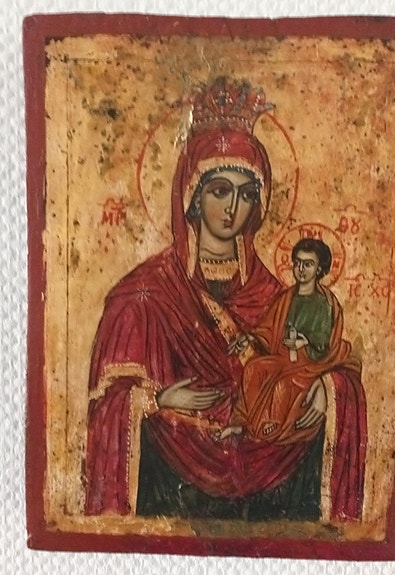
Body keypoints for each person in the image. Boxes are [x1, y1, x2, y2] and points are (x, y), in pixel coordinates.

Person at [85, 77, 367, 522]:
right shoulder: (143, 295)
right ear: (192, 197)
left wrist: (327, 389)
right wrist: (158, 401)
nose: (233, 207)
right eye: (219, 190)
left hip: (274, 484)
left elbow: (331, 361)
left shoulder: (277, 296)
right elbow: (106, 403)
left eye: (246, 194)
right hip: (170, 483)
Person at [223, 238, 358, 447]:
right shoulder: (286, 298)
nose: (301, 269)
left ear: (319, 269)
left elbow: (324, 343)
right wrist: (251, 337)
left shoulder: (324, 303)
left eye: (308, 264)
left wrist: (305, 343)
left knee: (283, 384)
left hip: (309, 364)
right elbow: (269, 328)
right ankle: (243, 422)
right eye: (298, 263)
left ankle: (271, 424)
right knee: (254, 368)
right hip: (283, 358)